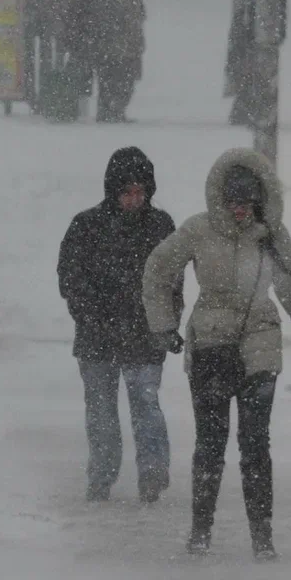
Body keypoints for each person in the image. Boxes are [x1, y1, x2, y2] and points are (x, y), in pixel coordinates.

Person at [142, 148, 291, 560]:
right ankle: (201, 530)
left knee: (255, 444)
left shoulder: (273, 236)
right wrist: (163, 325)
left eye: (246, 204)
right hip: (210, 345)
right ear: (221, 201)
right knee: (210, 443)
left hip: (260, 347)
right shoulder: (197, 231)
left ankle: (262, 536)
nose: (240, 212)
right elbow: (157, 270)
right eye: (233, 203)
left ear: (259, 201)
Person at [57, 148, 182, 503]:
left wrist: (166, 323)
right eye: (127, 192)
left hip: (144, 336)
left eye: (140, 192)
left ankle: (153, 475)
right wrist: (93, 317)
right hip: (97, 338)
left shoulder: (161, 227)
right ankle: (102, 474)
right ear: (113, 191)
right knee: (101, 412)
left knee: (146, 404)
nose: (134, 199)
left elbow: (172, 282)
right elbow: (70, 278)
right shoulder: (86, 226)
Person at [98, 0, 146, 123]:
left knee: (113, 80)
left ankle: (108, 111)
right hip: (126, 46)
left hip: (114, 46)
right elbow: (133, 21)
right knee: (124, 81)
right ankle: (115, 111)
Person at [65, 0, 106, 112]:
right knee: (103, 81)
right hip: (100, 46)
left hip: (81, 46)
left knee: (81, 80)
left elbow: (69, 23)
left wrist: (72, 42)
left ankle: (81, 110)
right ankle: (103, 111)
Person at [35, 0, 73, 70]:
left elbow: (37, 4)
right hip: (58, 20)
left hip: (47, 20)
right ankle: (57, 69)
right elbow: (69, 2)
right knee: (58, 47)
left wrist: (42, 13)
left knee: (46, 47)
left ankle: (46, 68)